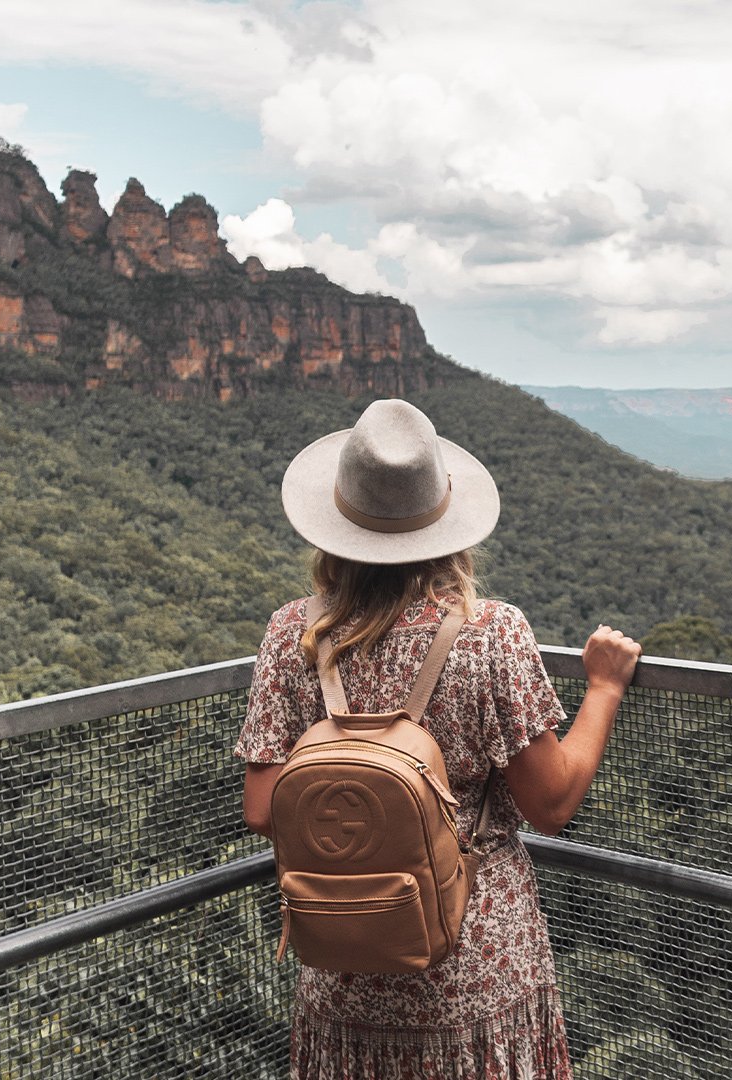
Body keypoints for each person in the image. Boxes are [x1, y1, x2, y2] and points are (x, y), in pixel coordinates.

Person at [236, 398, 640, 1080]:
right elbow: (553, 803)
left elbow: (261, 808)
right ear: (448, 523)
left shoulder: (291, 634)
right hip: (476, 965)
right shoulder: (492, 633)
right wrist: (603, 688)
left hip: (344, 966)